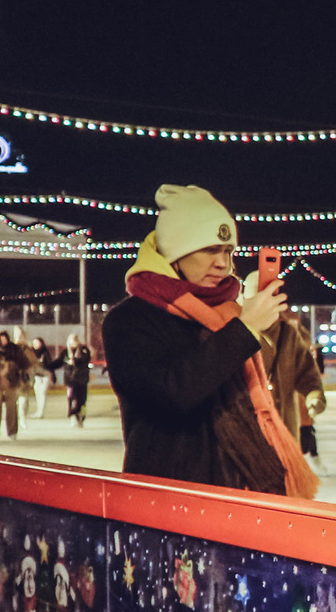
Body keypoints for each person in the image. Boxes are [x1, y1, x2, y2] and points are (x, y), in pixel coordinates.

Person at [101, 186, 316, 497]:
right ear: (177, 252)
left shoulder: (229, 313)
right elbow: (174, 393)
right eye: (210, 249)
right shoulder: (129, 321)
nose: (223, 264)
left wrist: (255, 328)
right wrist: (244, 330)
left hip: (244, 493)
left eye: (228, 252)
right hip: (170, 500)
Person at [254, 295, 328, 478]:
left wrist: (314, 394)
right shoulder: (238, 332)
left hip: (285, 428)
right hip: (250, 434)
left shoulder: (288, 334)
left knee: (284, 483)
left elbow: (307, 372)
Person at [0, 330, 32, 440]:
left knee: (11, 409)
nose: (3, 341)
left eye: (5, 339)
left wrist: (21, 373)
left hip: (11, 384)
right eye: (1, 339)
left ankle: (12, 432)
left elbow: (25, 363)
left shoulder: (15, 350)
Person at [65, 332, 93, 425]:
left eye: (74, 341)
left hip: (81, 380)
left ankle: (80, 416)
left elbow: (85, 359)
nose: (72, 343)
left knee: (82, 400)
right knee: (71, 398)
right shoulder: (66, 352)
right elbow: (60, 361)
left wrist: (74, 361)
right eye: (70, 341)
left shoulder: (84, 350)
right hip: (71, 380)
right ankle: (72, 416)